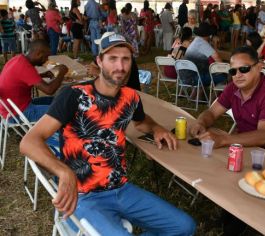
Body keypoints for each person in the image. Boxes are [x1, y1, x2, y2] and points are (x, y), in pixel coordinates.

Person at [19, 33, 196, 235]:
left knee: (184, 227)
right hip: (83, 196)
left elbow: (141, 122)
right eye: (112, 58)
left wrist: (157, 128)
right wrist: (64, 172)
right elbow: (29, 142)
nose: (120, 66)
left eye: (125, 59)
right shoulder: (74, 95)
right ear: (99, 61)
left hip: (121, 189)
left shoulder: (130, 97)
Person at [189, 45, 265, 158]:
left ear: (259, 67)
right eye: (233, 71)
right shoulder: (232, 88)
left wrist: (223, 139)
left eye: (244, 69)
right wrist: (201, 122)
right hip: (243, 148)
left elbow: (263, 136)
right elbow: (212, 112)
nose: (238, 75)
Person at [0, 40, 68, 122]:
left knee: (58, 100)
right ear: (38, 54)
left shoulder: (18, 59)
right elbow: (49, 90)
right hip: (17, 114)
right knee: (63, 110)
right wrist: (62, 72)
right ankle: (52, 133)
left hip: (13, 108)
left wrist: (43, 75)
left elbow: (22, 78)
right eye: (46, 56)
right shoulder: (25, 67)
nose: (46, 60)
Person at [182, 22, 226, 87]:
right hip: (194, 78)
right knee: (223, 77)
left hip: (184, 76)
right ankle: (216, 97)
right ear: (208, 35)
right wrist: (225, 70)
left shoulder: (196, 41)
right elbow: (217, 58)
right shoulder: (203, 43)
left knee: (205, 71)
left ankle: (194, 96)